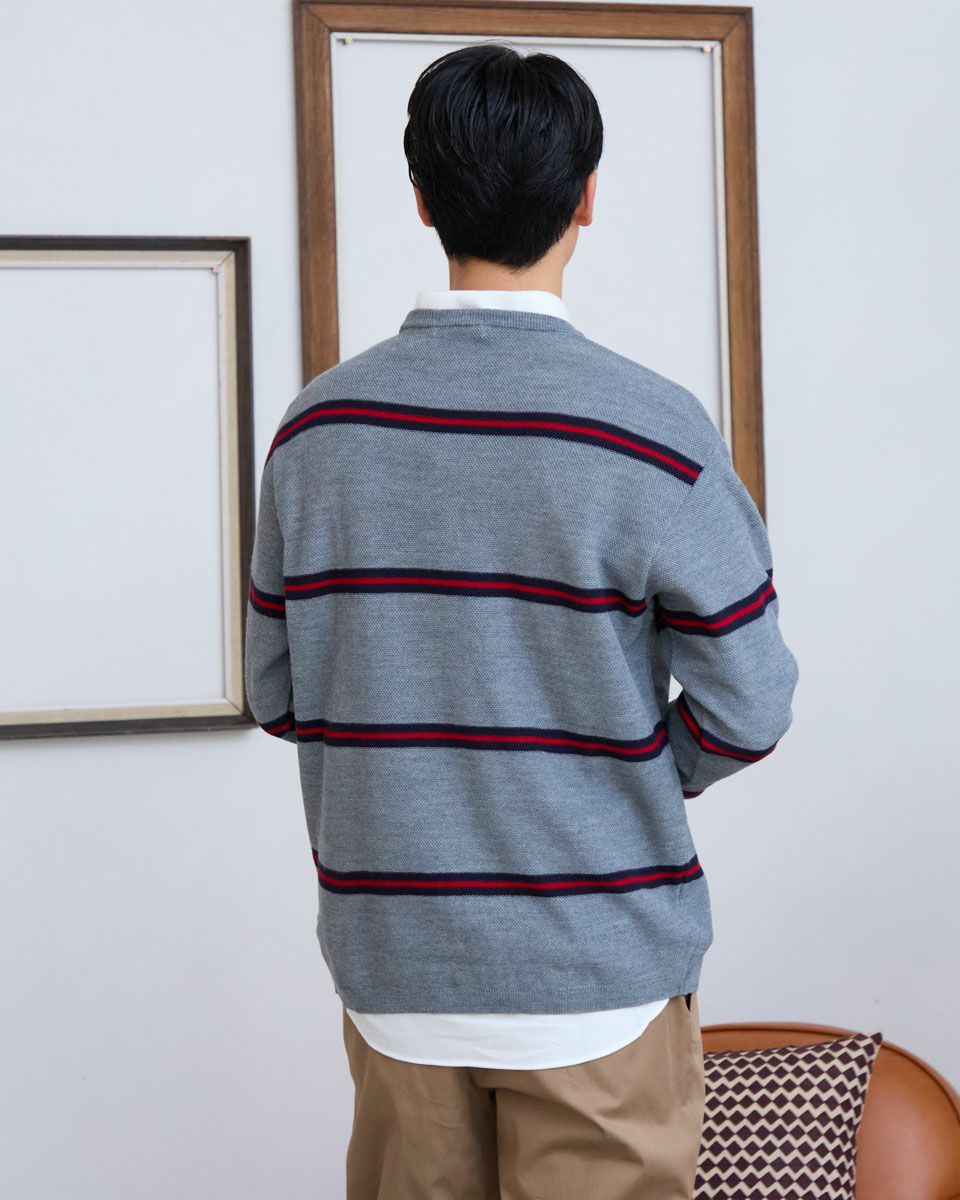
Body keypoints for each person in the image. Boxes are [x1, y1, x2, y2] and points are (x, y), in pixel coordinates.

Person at [244, 41, 799, 1200]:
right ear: (586, 198)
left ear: (421, 197)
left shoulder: (317, 434)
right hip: (598, 966)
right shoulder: (650, 430)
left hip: (396, 966)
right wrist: (622, 771)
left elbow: (278, 693)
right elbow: (753, 699)